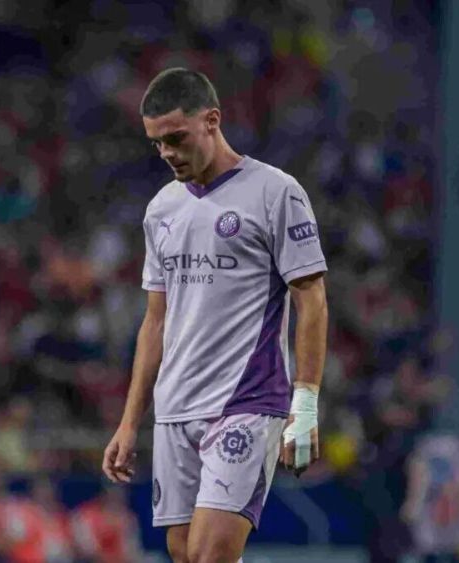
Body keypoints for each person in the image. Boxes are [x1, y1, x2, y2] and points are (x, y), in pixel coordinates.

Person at [101, 68, 329, 563]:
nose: (166, 153)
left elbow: (311, 296)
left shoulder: (275, 192)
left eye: (176, 138)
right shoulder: (161, 209)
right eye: (157, 143)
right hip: (175, 408)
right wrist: (128, 422)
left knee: (210, 557)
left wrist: (305, 405)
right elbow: (155, 321)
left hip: (246, 401)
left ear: (212, 120)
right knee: (184, 555)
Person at [70, 483, 143, 563]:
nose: (116, 501)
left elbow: (131, 550)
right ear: (103, 496)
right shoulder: (84, 516)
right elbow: (87, 550)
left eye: (120, 497)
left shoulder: (127, 519)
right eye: (112, 496)